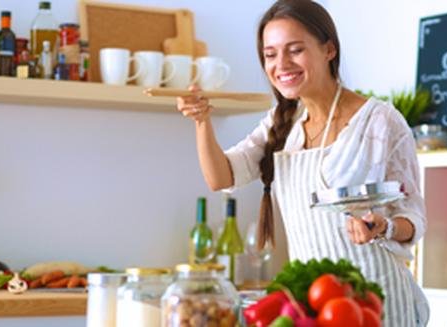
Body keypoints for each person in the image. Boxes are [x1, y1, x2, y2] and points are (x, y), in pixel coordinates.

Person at [177, 0, 429, 326]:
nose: (281, 63)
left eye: (294, 50)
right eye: (270, 54)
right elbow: (221, 177)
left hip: (376, 302)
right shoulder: (281, 122)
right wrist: (202, 122)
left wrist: (385, 226)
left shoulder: (379, 122)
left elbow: (414, 216)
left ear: (329, 50)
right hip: (315, 303)